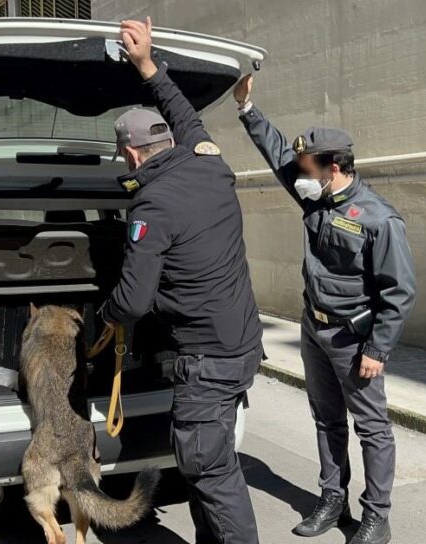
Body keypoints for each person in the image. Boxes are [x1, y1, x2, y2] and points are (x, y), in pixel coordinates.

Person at [234, 74, 416, 544]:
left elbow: (399, 291)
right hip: (314, 331)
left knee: (371, 427)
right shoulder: (316, 197)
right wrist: (248, 109)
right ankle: (332, 498)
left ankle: (376, 515)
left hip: (355, 341)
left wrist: (378, 348)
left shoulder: (379, 218)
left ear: (332, 166)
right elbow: (278, 157)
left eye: (307, 166)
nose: (299, 173)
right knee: (326, 419)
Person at [101, 19, 263, 544]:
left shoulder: (153, 204)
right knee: (210, 462)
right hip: (241, 347)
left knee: (212, 473)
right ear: (169, 140)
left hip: (208, 361)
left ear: (130, 155)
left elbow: (133, 299)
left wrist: (100, 320)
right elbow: (182, 112)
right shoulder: (206, 161)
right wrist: (146, 63)